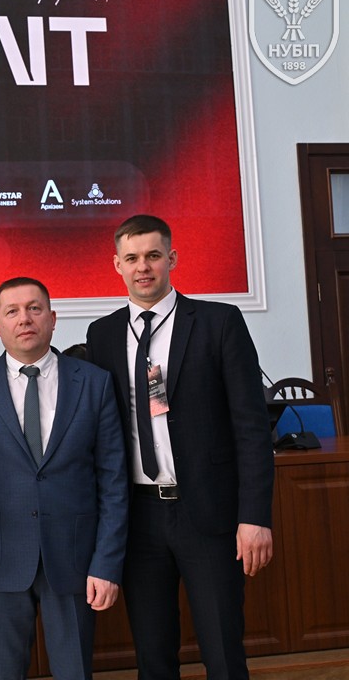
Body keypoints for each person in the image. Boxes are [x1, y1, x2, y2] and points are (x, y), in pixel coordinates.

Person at [86, 215, 274, 680]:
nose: (143, 267)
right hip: (139, 518)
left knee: (223, 652)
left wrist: (255, 517)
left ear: (171, 258)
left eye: (153, 255)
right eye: (132, 258)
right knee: (153, 656)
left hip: (207, 513)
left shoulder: (218, 322)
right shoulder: (102, 335)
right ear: (117, 265)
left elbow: (252, 428)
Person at [0, 277, 128, 680]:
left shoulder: (93, 382)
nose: (24, 319)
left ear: (53, 318)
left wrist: (106, 564)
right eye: (12, 311)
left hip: (76, 561)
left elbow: (113, 482)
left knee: (74, 672)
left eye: (34, 308)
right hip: (0, 563)